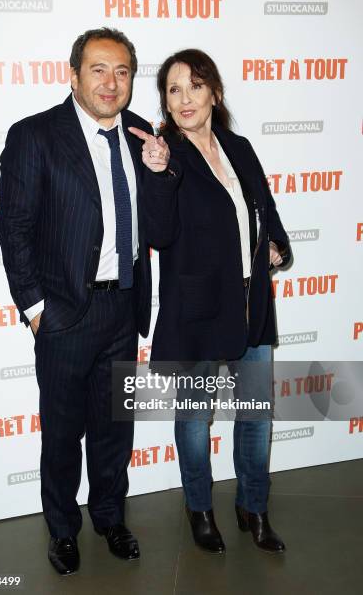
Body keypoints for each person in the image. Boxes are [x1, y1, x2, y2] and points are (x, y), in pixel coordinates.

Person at [0, 28, 177, 575]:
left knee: (113, 428)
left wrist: (163, 174)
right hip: (65, 314)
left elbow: (161, 226)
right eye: (98, 69)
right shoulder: (35, 136)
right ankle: (62, 529)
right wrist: (34, 309)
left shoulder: (145, 136)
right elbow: (15, 227)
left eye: (122, 71)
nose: (111, 82)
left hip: (124, 308)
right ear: (72, 74)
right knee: (61, 430)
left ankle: (109, 516)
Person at [130, 48, 290, 554]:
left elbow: (262, 204)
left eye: (194, 86)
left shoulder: (239, 146)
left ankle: (253, 506)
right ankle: (199, 507)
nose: (184, 98)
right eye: (173, 90)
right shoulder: (166, 154)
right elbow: (156, 231)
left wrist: (277, 243)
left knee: (255, 415)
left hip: (252, 306)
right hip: (197, 313)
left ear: (214, 93)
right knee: (195, 421)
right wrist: (157, 174)